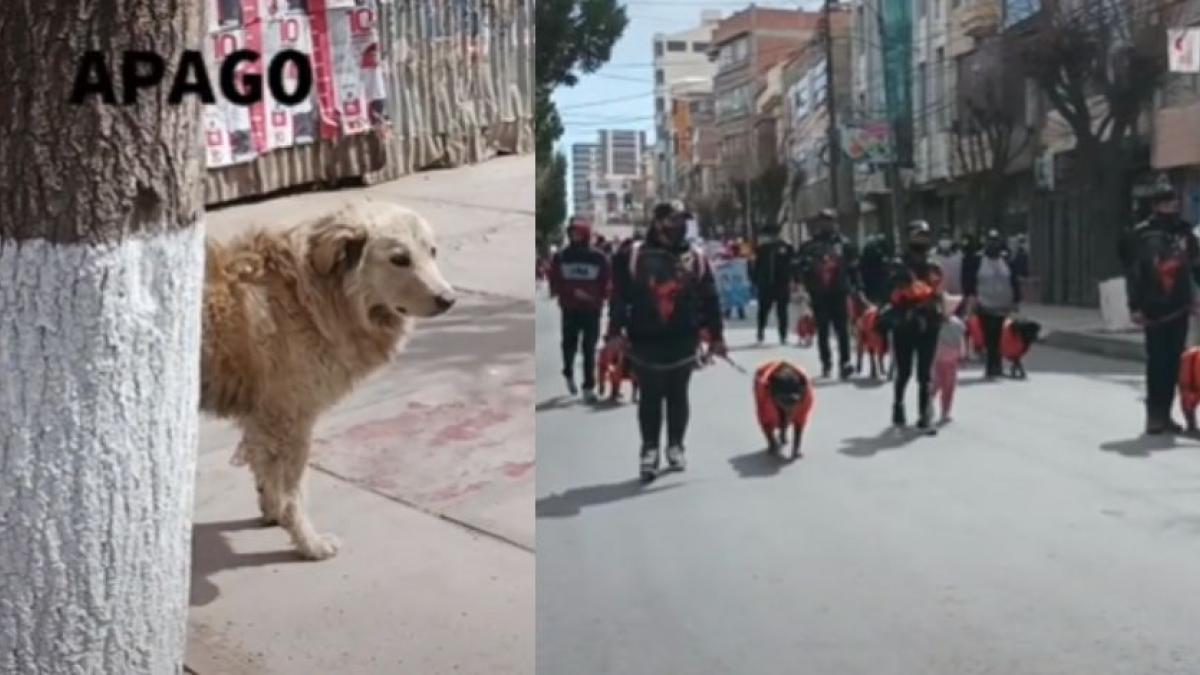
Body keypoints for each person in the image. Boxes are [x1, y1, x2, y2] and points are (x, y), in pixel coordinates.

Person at [607, 203, 726, 479]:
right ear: (658, 222)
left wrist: (716, 337)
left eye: (683, 220)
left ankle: (675, 446)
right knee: (649, 395)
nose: (679, 226)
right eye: (673, 220)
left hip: (683, 338)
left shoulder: (696, 258)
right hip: (644, 338)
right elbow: (619, 298)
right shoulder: (633, 255)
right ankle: (649, 450)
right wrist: (615, 332)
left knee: (677, 393)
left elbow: (710, 299)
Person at [1119, 186, 1200, 434]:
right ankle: (1155, 414)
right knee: (1158, 362)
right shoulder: (1143, 234)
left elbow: (1195, 266)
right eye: (1166, 203)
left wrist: (1195, 297)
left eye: (1174, 202)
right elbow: (1134, 273)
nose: (1172, 206)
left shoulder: (1184, 232)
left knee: (1176, 361)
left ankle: (1167, 413)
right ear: (1155, 206)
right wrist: (1134, 306)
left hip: (1180, 304)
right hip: (1153, 307)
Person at [883, 221, 944, 433]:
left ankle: (925, 414)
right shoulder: (898, 263)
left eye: (925, 235)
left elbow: (938, 290)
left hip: (929, 323)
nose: (922, 239)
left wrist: (937, 302)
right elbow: (894, 292)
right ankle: (898, 404)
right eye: (918, 235)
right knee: (904, 371)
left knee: (925, 373)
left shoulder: (934, 265)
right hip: (905, 324)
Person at [548, 216, 610, 402]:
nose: (574, 237)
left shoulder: (598, 258)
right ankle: (568, 371)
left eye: (578, 233)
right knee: (569, 344)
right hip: (570, 309)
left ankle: (588, 386)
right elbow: (555, 279)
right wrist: (562, 293)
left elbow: (606, 282)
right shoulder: (562, 257)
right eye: (572, 233)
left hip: (592, 309)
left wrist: (600, 297)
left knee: (589, 348)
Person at [795, 208, 861, 379]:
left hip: (839, 292)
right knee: (823, 330)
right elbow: (798, 267)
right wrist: (807, 272)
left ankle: (845, 362)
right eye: (824, 221)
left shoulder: (844, 244)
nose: (827, 224)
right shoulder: (810, 246)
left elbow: (854, 267)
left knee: (843, 330)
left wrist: (857, 287)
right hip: (819, 293)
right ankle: (826, 362)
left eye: (830, 221)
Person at [962, 229, 1022, 379]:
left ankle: (998, 365)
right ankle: (991, 366)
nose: (993, 244)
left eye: (996, 241)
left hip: (1003, 305)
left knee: (999, 336)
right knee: (989, 336)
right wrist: (971, 297)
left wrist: (1016, 299)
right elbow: (969, 280)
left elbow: (1013, 280)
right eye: (990, 241)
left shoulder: (1006, 261)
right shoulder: (977, 260)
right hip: (985, 305)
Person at [751, 224, 796, 344]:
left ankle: (783, 335)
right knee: (763, 310)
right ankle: (760, 331)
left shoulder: (786, 247)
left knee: (782, 311)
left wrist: (793, 280)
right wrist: (755, 280)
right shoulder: (761, 249)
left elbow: (792, 264)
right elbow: (755, 266)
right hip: (765, 283)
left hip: (782, 283)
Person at [931, 296, 967, 424]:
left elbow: (961, 341)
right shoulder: (957, 323)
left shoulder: (936, 323)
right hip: (946, 360)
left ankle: (939, 409)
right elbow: (961, 342)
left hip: (941, 359)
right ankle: (943, 411)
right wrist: (962, 355)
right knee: (945, 387)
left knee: (942, 386)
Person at [931, 230, 964, 295]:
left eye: (947, 238)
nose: (945, 241)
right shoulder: (933, 254)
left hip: (957, 294)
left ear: (951, 240)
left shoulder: (959, 254)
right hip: (938, 293)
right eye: (942, 238)